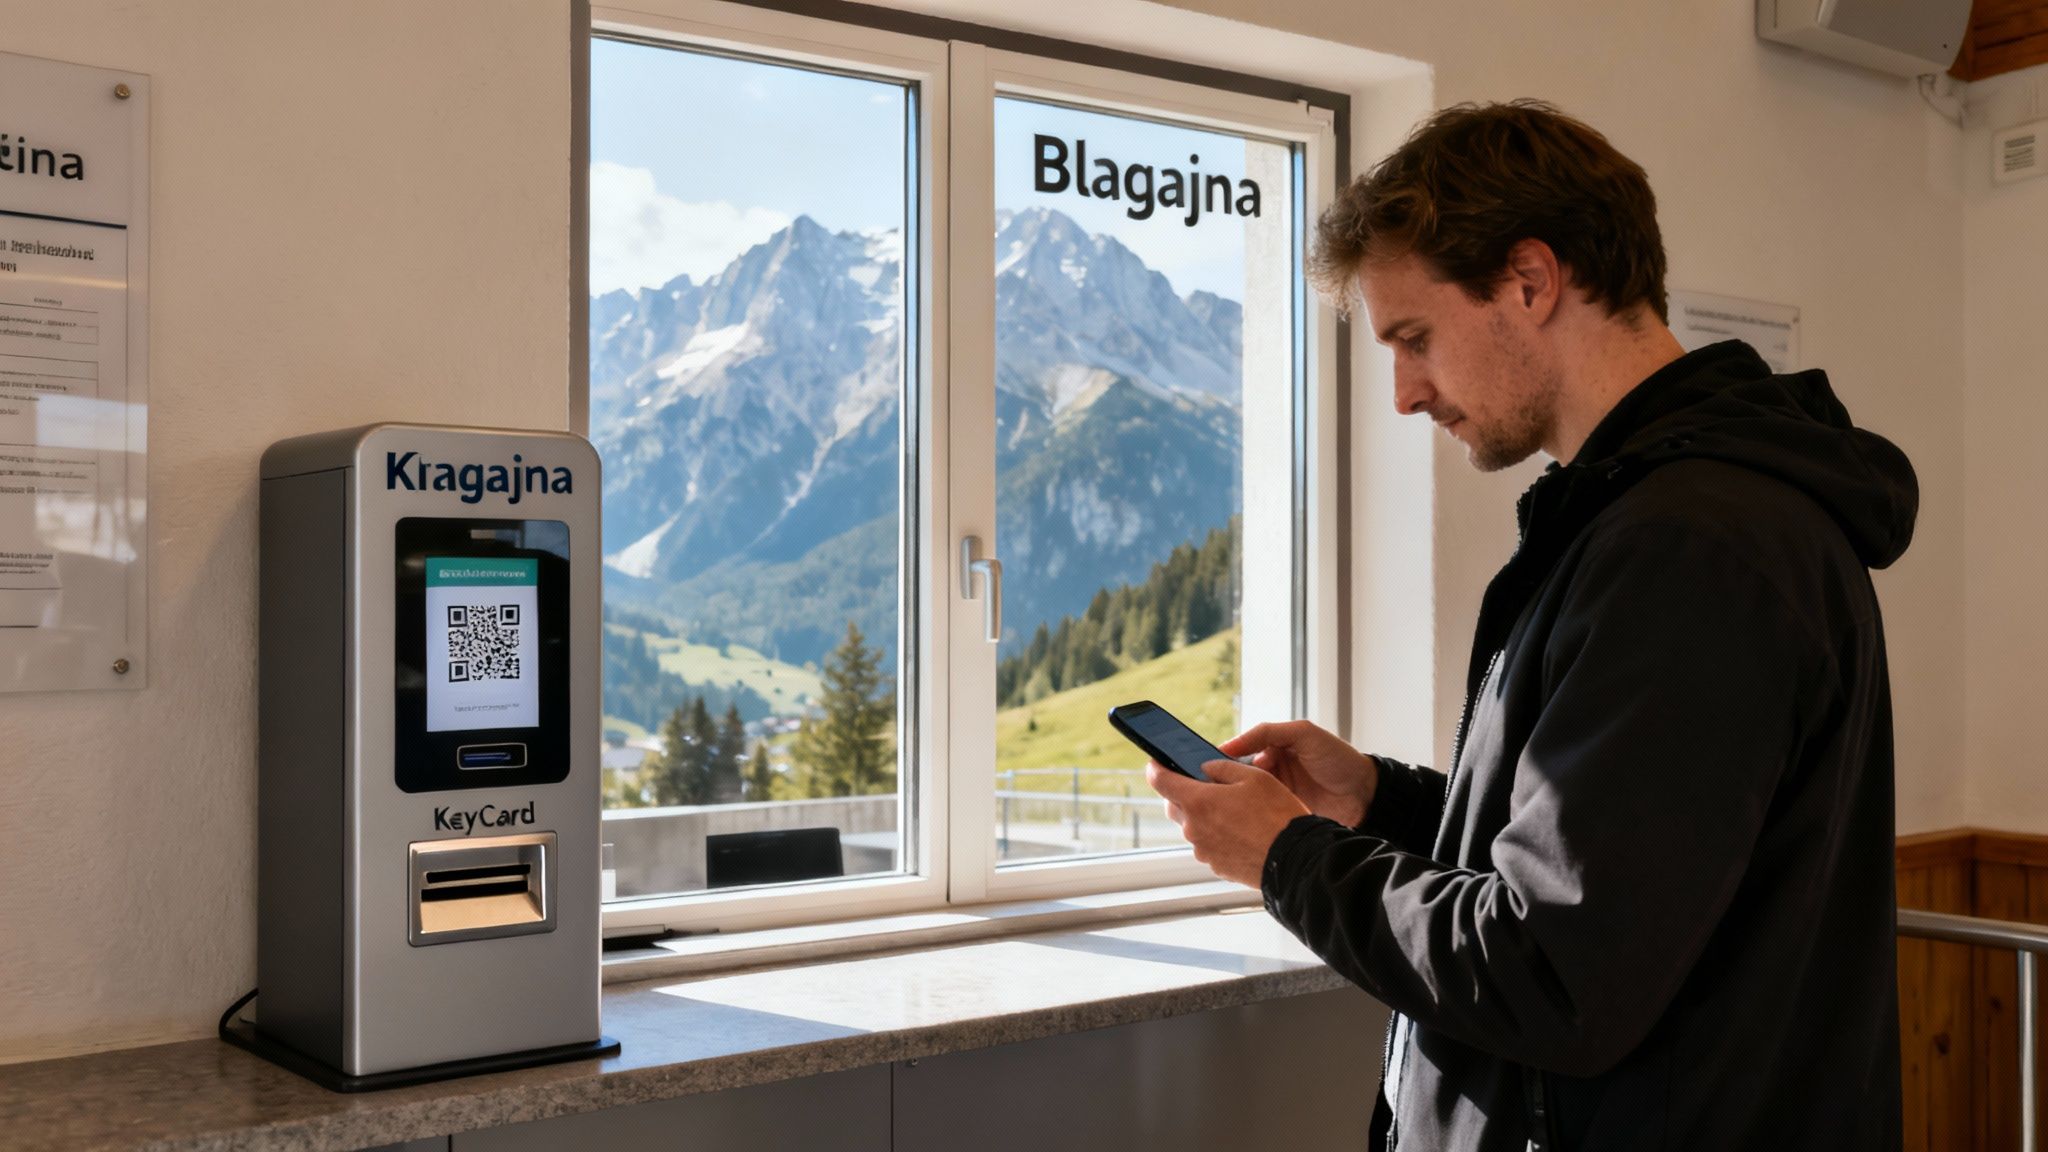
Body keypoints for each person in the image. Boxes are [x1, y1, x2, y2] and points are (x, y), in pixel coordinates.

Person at [1147, 100, 1915, 1150]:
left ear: (1529, 280)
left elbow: (1555, 973)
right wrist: (1376, 801)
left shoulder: (1692, 550)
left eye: (1414, 338)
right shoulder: (1645, 521)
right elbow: (1604, 862)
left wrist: (1288, 859)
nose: (1404, 394)